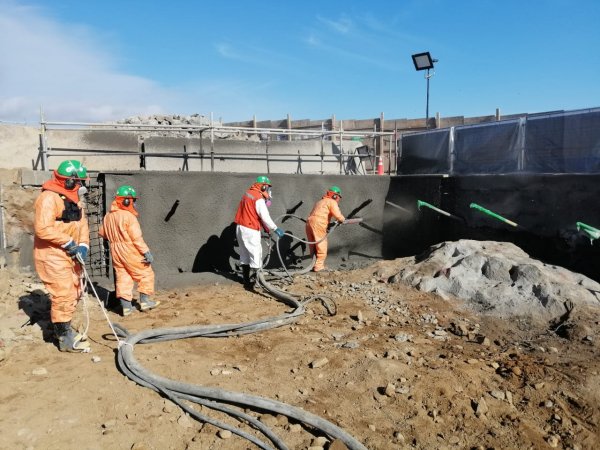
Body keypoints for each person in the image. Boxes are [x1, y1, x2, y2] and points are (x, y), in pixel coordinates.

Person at [34, 160, 91, 352]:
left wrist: (83, 245)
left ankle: (63, 326)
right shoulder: (48, 198)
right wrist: (67, 242)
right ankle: (64, 339)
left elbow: (82, 224)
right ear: (67, 181)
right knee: (63, 294)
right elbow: (43, 229)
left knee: (74, 291)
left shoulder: (74, 198)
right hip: (52, 254)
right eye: (77, 181)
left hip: (70, 253)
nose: (81, 186)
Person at [99, 185, 158, 316]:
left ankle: (126, 307)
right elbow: (136, 238)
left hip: (115, 250)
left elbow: (102, 233)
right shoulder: (129, 217)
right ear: (126, 201)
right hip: (129, 249)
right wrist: (146, 252)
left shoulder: (108, 216)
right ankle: (145, 302)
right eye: (132, 200)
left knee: (123, 276)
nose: (134, 203)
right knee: (146, 273)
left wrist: (116, 237)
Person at [234, 175, 285, 289]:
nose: (268, 190)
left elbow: (253, 214)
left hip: (240, 228)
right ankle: (258, 283)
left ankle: (246, 282)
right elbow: (265, 217)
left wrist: (266, 229)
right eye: (267, 187)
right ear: (263, 187)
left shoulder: (248, 193)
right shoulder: (258, 198)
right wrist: (275, 229)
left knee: (244, 255)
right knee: (256, 255)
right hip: (250, 229)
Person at [306, 186, 346, 272]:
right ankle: (319, 267)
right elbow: (338, 215)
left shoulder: (320, 202)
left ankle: (313, 264)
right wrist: (342, 220)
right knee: (321, 245)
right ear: (335, 196)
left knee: (313, 245)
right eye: (338, 196)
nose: (338, 199)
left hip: (309, 223)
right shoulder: (332, 202)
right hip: (319, 223)